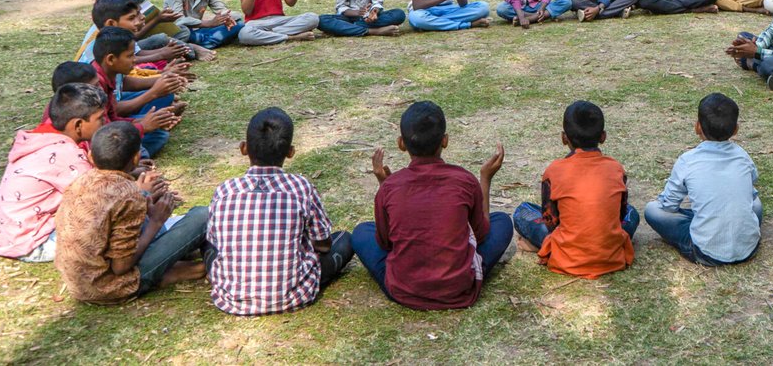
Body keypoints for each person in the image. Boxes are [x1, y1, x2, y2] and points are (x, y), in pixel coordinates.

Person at [352, 102, 511, 310]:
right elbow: (481, 235)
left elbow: (385, 243)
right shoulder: (464, 180)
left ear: (401, 144)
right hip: (458, 289)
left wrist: (385, 187)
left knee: (361, 232)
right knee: (503, 222)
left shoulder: (391, 186)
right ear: (445, 141)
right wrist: (485, 179)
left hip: (404, 290)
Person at [207, 108, 354, 316]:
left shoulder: (225, 191)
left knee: (208, 247)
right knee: (345, 240)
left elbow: (215, 242)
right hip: (293, 294)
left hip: (232, 298)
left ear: (243, 148)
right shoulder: (300, 187)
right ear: (291, 152)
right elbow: (324, 245)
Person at [54, 121, 208, 302]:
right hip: (109, 287)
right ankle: (162, 273)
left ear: (90, 157)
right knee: (202, 216)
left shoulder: (80, 181)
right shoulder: (128, 195)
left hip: (77, 283)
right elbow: (121, 267)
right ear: (136, 158)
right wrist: (156, 221)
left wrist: (146, 210)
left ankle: (171, 262)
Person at [513, 101, 638, 279]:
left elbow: (551, 222)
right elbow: (619, 216)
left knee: (521, 211)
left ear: (564, 138)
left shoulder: (554, 170)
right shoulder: (616, 168)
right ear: (603, 136)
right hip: (609, 252)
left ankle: (544, 246)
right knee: (632, 213)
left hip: (568, 254)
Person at [0, 84, 108, 262]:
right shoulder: (65, 154)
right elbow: (101, 196)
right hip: (35, 243)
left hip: (13, 236)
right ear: (78, 125)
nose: (104, 122)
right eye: (100, 118)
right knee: (112, 220)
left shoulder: (40, 138)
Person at [643, 93, 762, 266]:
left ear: (697, 127)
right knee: (756, 203)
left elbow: (668, 205)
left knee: (652, 210)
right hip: (748, 249)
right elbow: (751, 191)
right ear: (736, 129)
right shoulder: (743, 156)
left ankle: (705, 222)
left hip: (706, 251)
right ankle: (714, 220)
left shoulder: (687, 160)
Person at [92, 27, 186, 159]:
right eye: (130, 56)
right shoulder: (95, 85)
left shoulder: (109, 70)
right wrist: (143, 124)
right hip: (101, 136)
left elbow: (114, 113)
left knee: (159, 131)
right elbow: (107, 127)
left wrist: (162, 79)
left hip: (112, 123)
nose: (135, 60)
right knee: (149, 146)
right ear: (111, 59)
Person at [75, 0, 186, 65]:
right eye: (132, 17)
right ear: (111, 23)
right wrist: (162, 55)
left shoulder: (122, 35)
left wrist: (165, 52)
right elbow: (128, 62)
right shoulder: (103, 43)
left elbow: (137, 53)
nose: (142, 18)